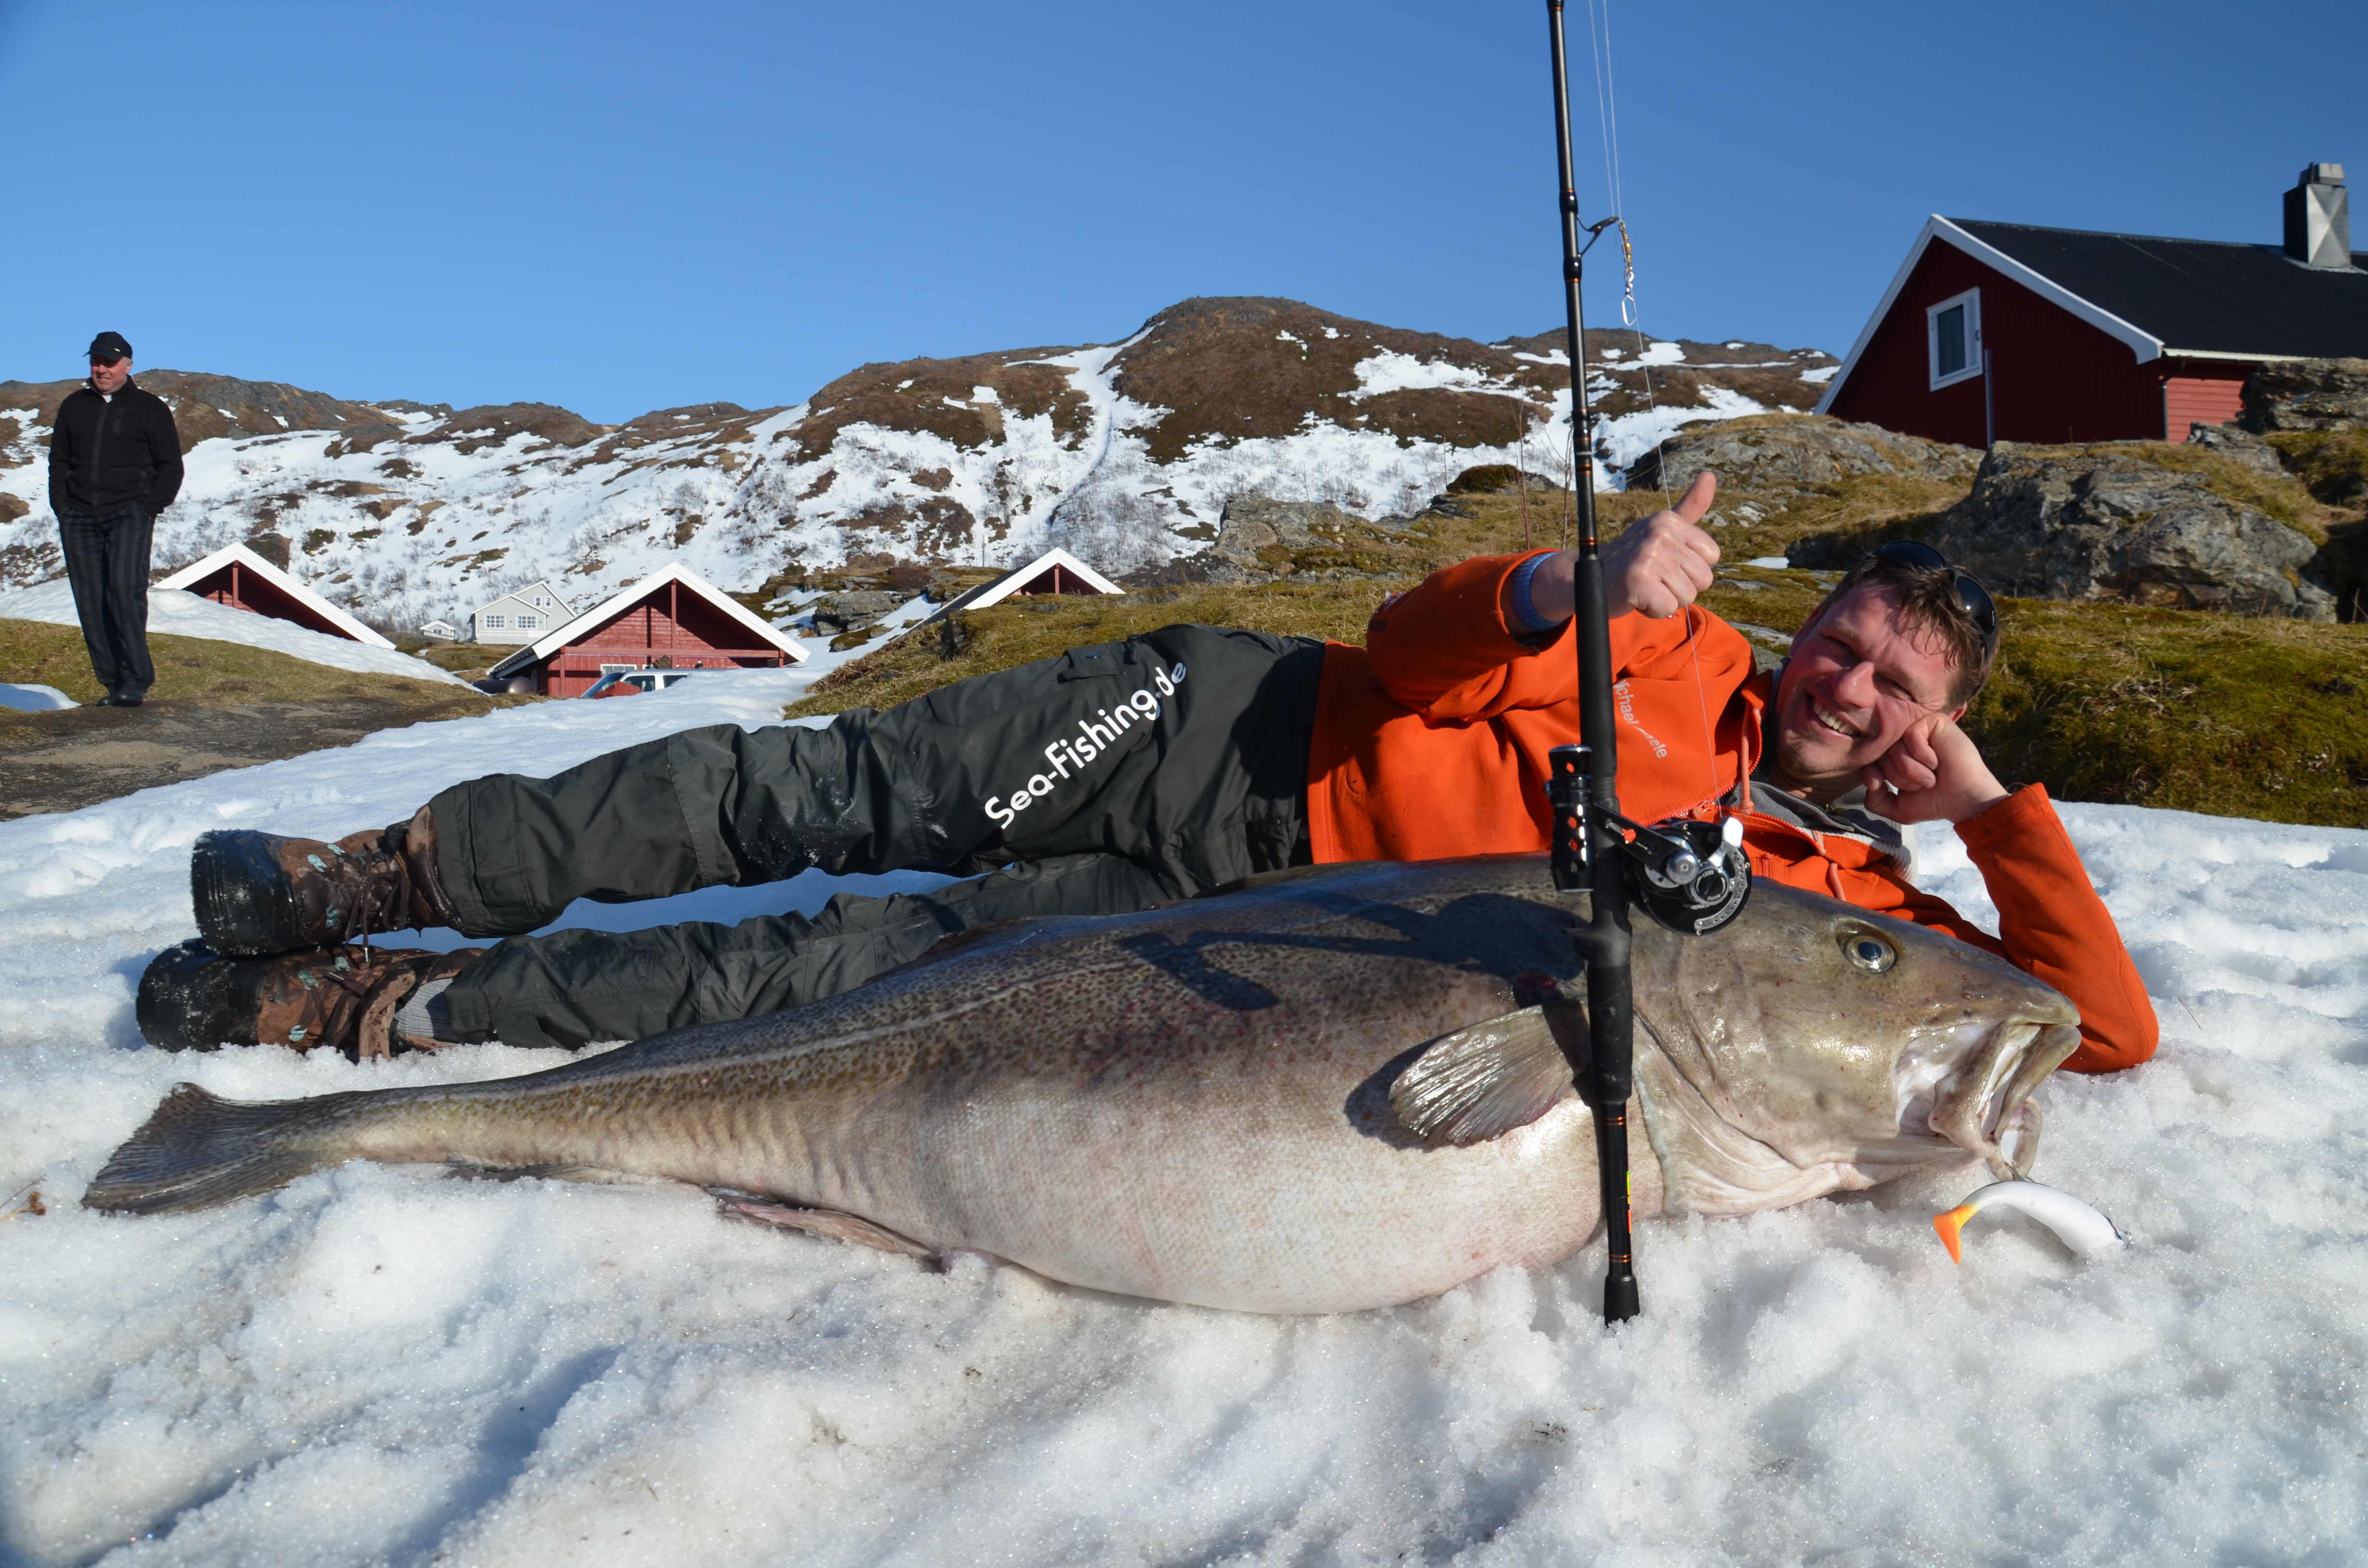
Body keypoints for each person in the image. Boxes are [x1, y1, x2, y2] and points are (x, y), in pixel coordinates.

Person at [137, 472, 2158, 1075]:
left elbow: (2100, 1027)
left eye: (1899, 693)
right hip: (1226, 730)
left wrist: (1987, 810)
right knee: (815, 797)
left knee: (839, 980)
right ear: (1806, 632)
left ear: (1917, 735)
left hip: (1233, 940)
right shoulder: (1673, 634)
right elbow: (1401, 650)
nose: (1852, 690)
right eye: (1851, 645)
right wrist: (1569, 580)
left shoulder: (1843, 911)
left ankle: (387, 1008)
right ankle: (384, 870)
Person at [49, 331, 184, 707]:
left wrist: (149, 506)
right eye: (95, 361)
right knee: (90, 600)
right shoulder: (73, 406)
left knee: (124, 594)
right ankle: (112, 683)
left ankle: (136, 680)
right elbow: (58, 461)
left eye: (109, 362)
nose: (101, 369)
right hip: (77, 515)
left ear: (127, 364)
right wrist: (62, 505)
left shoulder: (150, 408)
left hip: (129, 513)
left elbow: (171, 465)